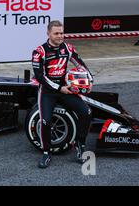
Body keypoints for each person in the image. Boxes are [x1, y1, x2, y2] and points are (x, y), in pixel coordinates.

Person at [32, 20, 93, 169]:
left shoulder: (68, 48)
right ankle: (46, 153)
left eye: (61, 33)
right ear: (48, 33)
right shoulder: (39, 52)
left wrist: (90, 81)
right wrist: (59, 88)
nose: (60, 36)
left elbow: (81, 65)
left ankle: (79, 146)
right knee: (45, 121)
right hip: (47, 91)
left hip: (65, 89)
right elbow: (40, 77)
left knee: (86, 112)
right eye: (56, 33)